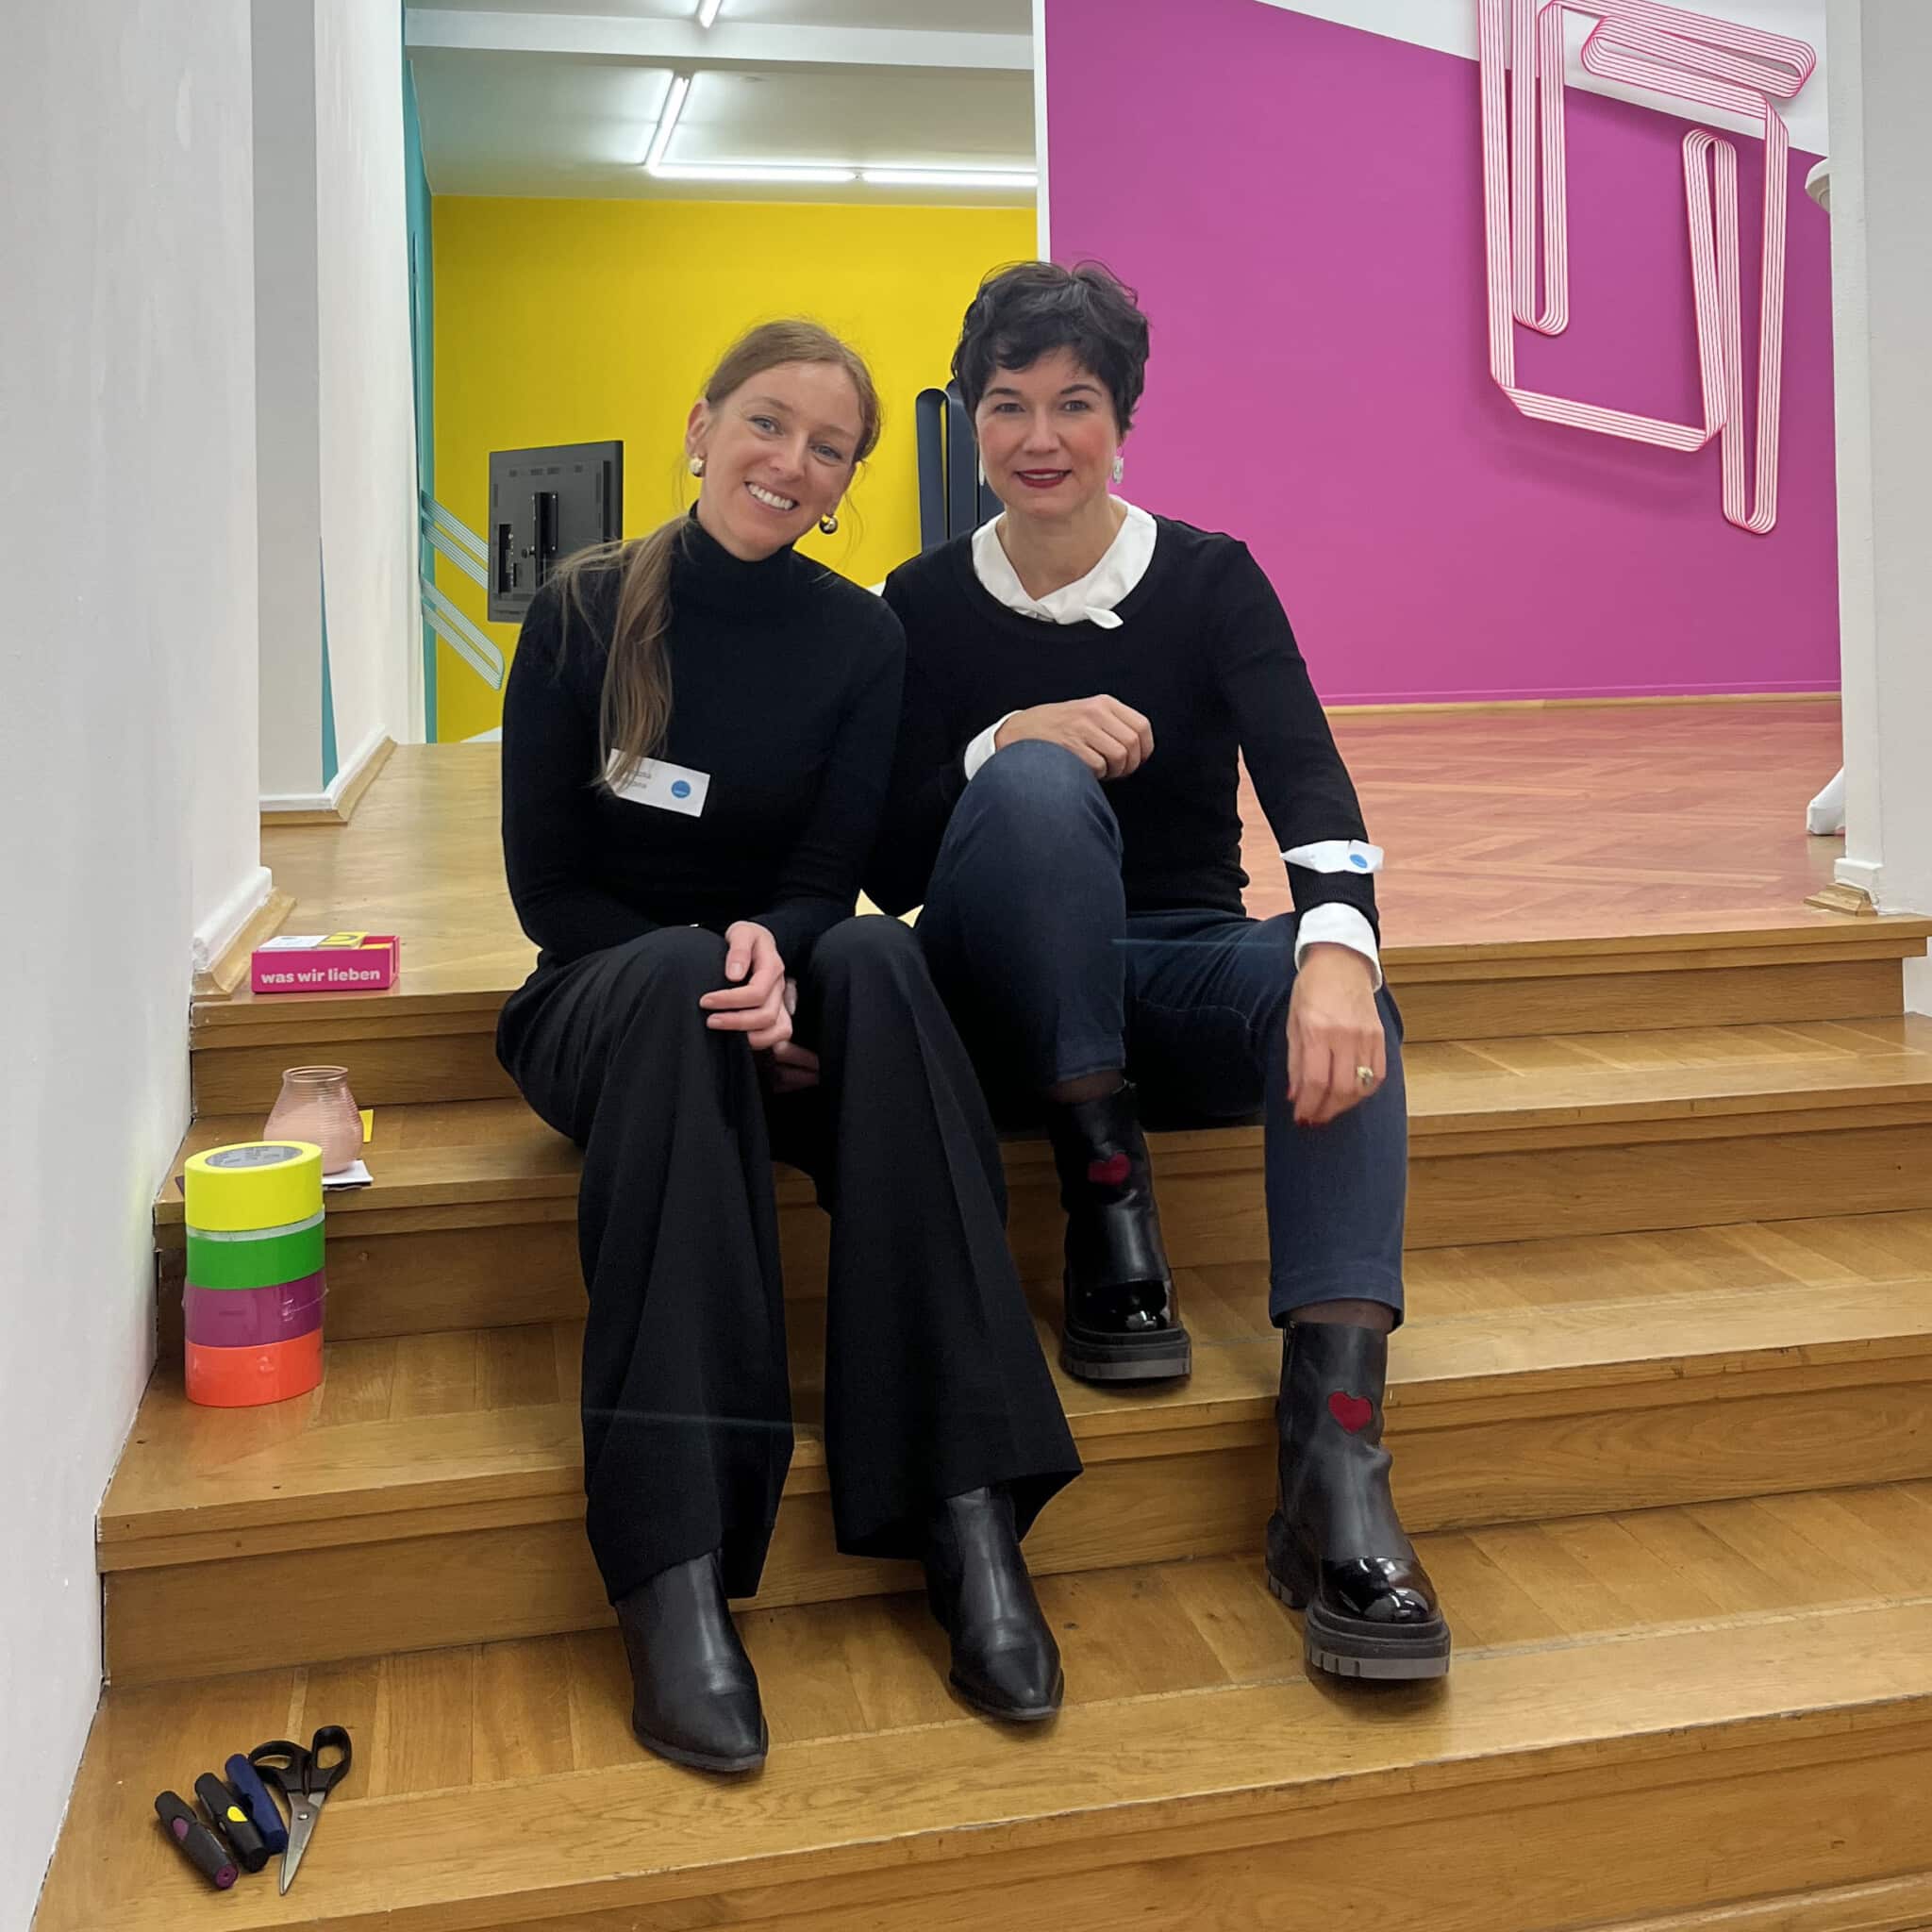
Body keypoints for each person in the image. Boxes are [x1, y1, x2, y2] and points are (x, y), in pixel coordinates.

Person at [496, 320, 1081, 1774]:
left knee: (882, 958)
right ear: (703, 427)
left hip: (785, 985)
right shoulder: (578, 612)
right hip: (608, 1002)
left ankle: (966, 1514)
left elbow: (834, 878)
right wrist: (711, 970)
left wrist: (772, 948)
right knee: (674, 978)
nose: (791, 462)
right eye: (768, 423)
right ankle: (674, 1564)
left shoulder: (858, 638)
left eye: (829, 450)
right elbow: (549, 894)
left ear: (843, 487)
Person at [867, 265, 1449, 1682]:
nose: (1040, 437)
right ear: (970, 420)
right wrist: (1007, 741)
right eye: (1008, 405)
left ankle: (1335, 1469)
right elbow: (887, 864)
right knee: (1038, 787)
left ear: (1123, 420)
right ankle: (1105, 1204)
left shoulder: (1208, 577)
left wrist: (1333, 950)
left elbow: (1311, 784)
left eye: (1075, 403)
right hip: (998, 1001)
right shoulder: (919, 601)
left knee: (1343, 987)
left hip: (1175, 963)